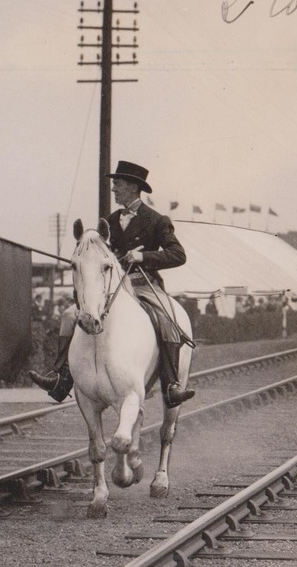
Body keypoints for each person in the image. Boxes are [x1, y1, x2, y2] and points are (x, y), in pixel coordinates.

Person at [30, 160, 196, 407]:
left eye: (117, 185)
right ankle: (61, 377)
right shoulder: (107, 222)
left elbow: (178, 255)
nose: (114, 190)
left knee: (167, 320)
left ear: (132, 186)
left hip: (143, 285)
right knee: (68, 315)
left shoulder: (157, 220)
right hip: (111, 290)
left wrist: (143, 256)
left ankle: (171, 384)